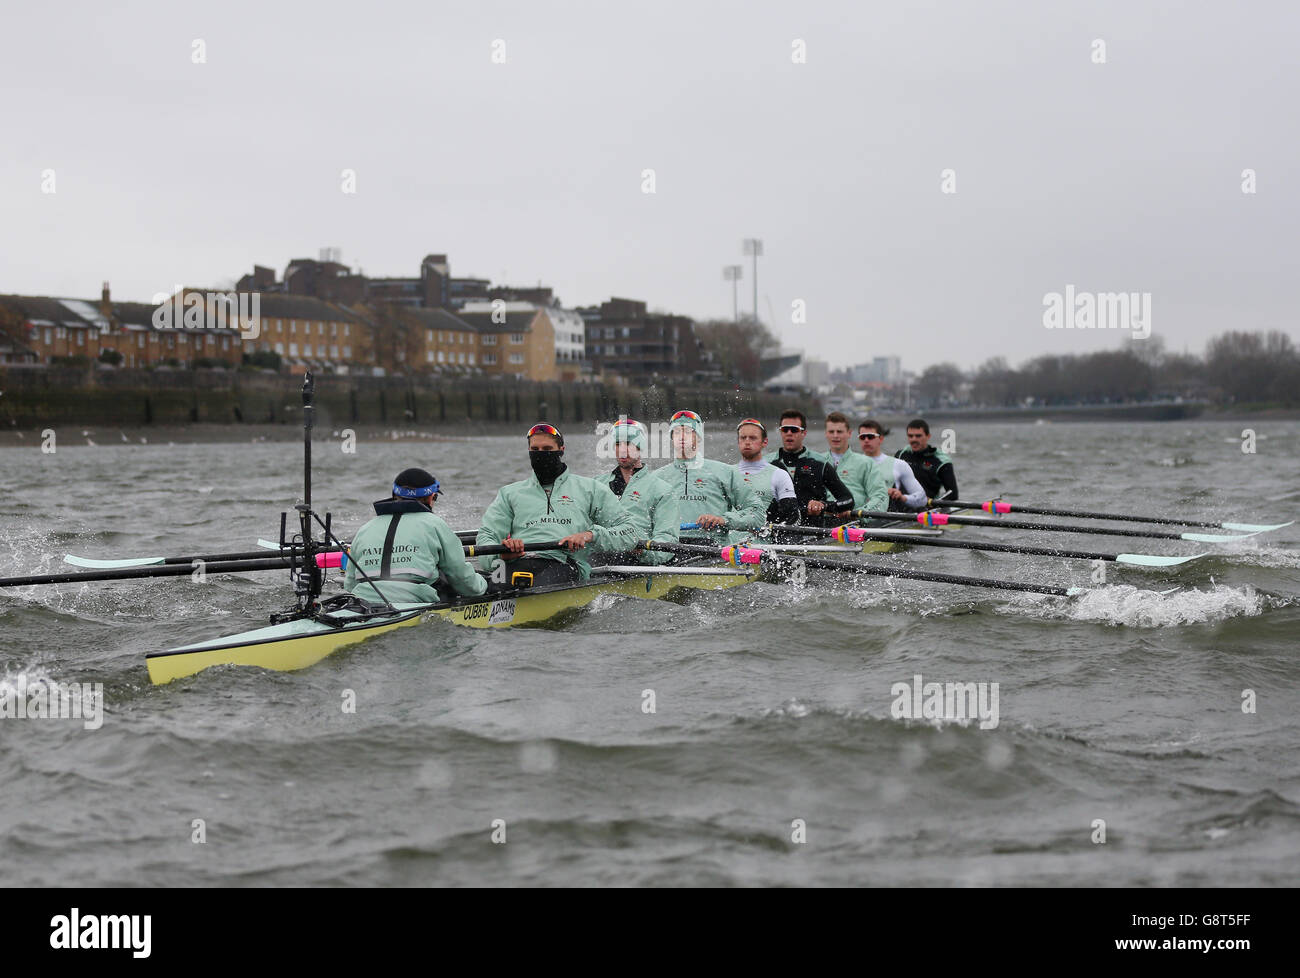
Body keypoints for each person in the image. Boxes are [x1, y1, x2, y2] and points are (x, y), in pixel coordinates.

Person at [475, 423, 638, 585]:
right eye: (535, 450)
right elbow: (487, 536)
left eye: (547, 449)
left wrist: (589, 535)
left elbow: (629, 532)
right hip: (515, 563)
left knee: (529, 587)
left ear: (561, 450)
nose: (541, 454)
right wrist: (502, 555)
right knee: (488, 586)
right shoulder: (509, 493)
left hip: (564, 563)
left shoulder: (591, 489)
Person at [345, 467, 487, 604]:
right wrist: (485, 584)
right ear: (431, 497)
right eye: (435, 498)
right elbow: (461, 578)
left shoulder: (365, 528)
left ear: (394, 495)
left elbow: (350, 584)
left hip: (362, 600)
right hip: (414, 601)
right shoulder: (435, 524)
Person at [651, 409, 764, 544]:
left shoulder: (725, 472)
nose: (682, 437)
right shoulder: (656, 478)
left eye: (688, 431)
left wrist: (723, 520)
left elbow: (758, 513)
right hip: (668, 547)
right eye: (676, 432)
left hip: (712, 547)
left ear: (698, 437)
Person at [602, 417, 679, 565]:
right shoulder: (597, 485)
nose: (623, 450)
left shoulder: (662, 490)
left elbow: (667, 538)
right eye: (618, 444)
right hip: (601, 554)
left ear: (640, 446)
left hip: (636, 559)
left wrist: (644, 552)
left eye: (629, 444)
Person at [766, 409, 855, 523]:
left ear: (804, 433)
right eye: (785, 429)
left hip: (811, 531)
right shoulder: (767, 463)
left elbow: (848, 500)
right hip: (775, 529)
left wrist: (824, 505)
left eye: (794, 430)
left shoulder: (820, 463)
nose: (789, 433)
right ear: (781, 432)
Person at [822, 411, 889, 513]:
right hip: (821, 519)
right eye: (831, 432)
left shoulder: (866, 463)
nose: (835, 436)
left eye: (839, 432)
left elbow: (880, 496)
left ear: (849, 433)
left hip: (854, 521)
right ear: (826, 434)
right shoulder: (817, 461)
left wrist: (859, 513)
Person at [734, 418, 799, 524]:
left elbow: (792, 516)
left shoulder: (779, 475)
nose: (747, 442)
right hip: (732, 539)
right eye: (743, 438)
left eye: (752, 438)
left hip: (764, 538)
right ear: (738, 442)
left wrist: (770, 529)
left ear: (764, 442)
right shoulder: (727, 473)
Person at [858, 419, 927, 510]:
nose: (866, 440)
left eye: (870, 437)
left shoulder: (899, 465)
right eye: (862, 437)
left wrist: (902, 497)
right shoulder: (850, 464)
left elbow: (922, 499)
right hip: (856, 517)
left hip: (886, 519)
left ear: (881, 439)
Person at [894, 418, 958, 503]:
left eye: (918, 436)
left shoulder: (941, 461)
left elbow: (952, 494)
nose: (913, 439)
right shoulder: (900, 455)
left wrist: (932, 502)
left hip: (925, 508)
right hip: (899, 504)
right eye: (910, 436)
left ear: (928, 436)